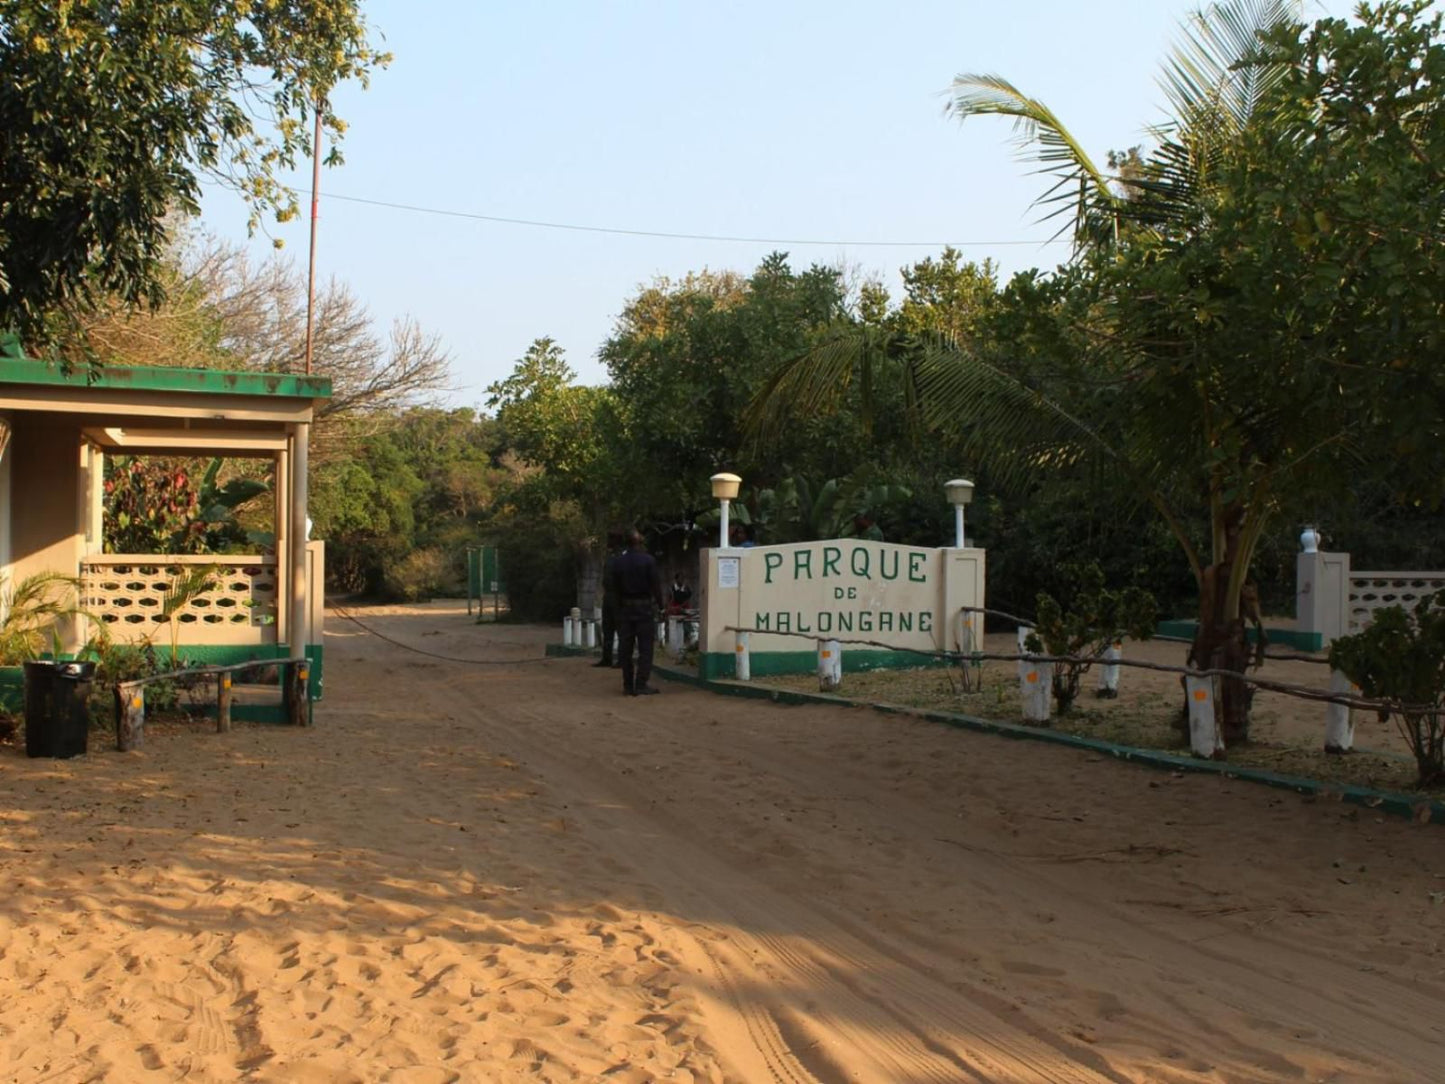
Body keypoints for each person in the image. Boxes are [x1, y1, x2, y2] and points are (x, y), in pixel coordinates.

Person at [610, 528, 665, 695]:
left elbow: (615, 589)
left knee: (625, 648)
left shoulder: (618, 562)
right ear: (640, 541)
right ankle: (641, 684)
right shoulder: (648, 561)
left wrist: (618, 609)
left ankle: (627, 685)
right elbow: (656, 586)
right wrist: (661, 606)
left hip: (625, 609)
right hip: (644, 609)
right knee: (645, 648)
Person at [593, 532, 623, 668]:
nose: (608, 544)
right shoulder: (609, 557)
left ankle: (622, 659)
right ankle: (607, 658)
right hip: (609, 596)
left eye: (610, 540)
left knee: (621, 629)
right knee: (607, 628)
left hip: (618, 596)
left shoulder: (622, 557)